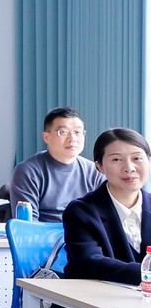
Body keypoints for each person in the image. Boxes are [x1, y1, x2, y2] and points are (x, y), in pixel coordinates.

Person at [61, 128, 150, 285]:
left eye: (137, 158)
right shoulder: (81, 211)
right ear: (99, 166)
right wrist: (146, 274)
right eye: (117, 159)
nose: (129, 167)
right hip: (90, 297)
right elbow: (90, 262)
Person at [9, 107, 105, 223]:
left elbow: (106, 216)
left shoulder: (95, 171)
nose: (72, 138)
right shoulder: (28, 171)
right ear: (46, 137)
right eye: (63, 132)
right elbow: (28, 224)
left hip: (85, 233)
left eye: (77, 132)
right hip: (45, 234)